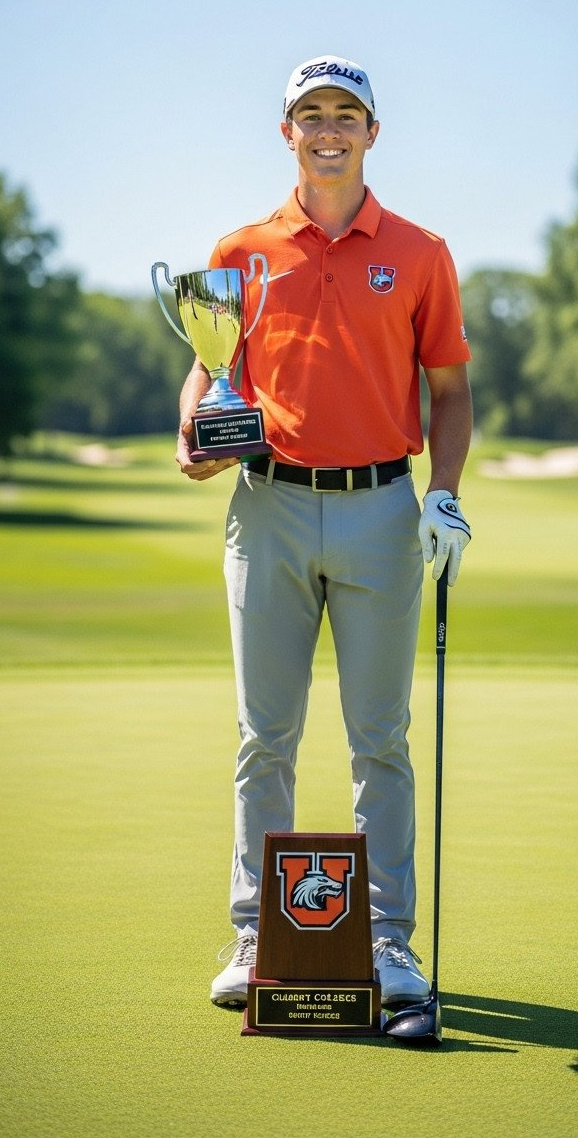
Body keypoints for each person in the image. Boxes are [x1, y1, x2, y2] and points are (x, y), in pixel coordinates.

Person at [176, 55, 473, 1009]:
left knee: (379, 738)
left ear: (373, 133)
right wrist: (194, 433)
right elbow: (208, 371)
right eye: (312, 114)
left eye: (347, 114)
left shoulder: (421, 251)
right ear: (287, 132)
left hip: (383, 508)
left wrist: (446, 494)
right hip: (267, 507)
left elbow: (451, 389)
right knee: (264, 736)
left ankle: (388, 944)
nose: (329, 129)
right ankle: (253, 934)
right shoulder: (240, 245)